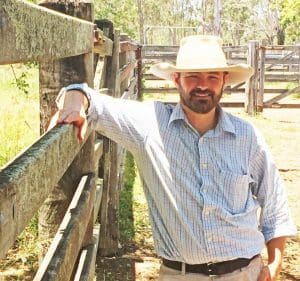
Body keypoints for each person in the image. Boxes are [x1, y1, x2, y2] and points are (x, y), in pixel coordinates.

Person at [51, 35, 296, 281]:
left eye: (212, 77)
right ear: (177, 79)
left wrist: (274, 264)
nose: (203, 85)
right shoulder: (150, 125)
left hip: (245, 272)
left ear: (224, 81)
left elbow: (273, 202)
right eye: (193, 76)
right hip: (180, 275)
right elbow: (88, 98)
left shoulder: (247, 136)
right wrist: (74, 101)